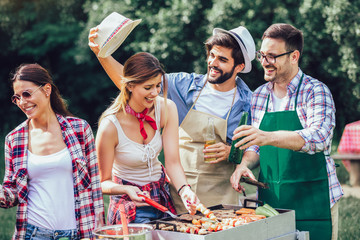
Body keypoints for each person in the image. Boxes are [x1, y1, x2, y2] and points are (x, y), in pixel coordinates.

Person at [88, 25, 255, 213]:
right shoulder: (183, 86)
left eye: (222, 59)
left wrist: (232, 151)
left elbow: (255, 149)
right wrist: (102, 55)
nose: (213, 63)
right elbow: (137, 82)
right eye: (212, 55)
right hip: (180, 190)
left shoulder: (249, 103)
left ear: (239, 66)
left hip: (222, 192)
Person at [230, 23, 343, 240]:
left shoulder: (315, 91)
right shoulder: (259, 95)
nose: (264, 62)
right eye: (262, 55)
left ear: (294, 56)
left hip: (315, 198)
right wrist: (244, 165)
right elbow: (255, 145)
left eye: (272, 56)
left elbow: (319, 137)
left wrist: (268, 136)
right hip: (272, 200)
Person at [0, 63, 105, 239]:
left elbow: (95, 182)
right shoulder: (14, 139)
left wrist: (99, 225)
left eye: (27, 94)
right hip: (33, 233)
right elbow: (13, 192)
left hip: (76, 232)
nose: (22, 102)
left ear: (47, 90)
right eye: (16, 97)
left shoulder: (80, 129)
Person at [95, 52, 199, 224]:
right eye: (148, 87)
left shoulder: (166, 108)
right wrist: (126, 189)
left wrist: (184, 190)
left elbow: (172, 162)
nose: (155, 93)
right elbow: (102, 182)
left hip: (162, 199)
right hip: (130, 207)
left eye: (158, 85)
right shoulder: (110, 126)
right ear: (129, 86)